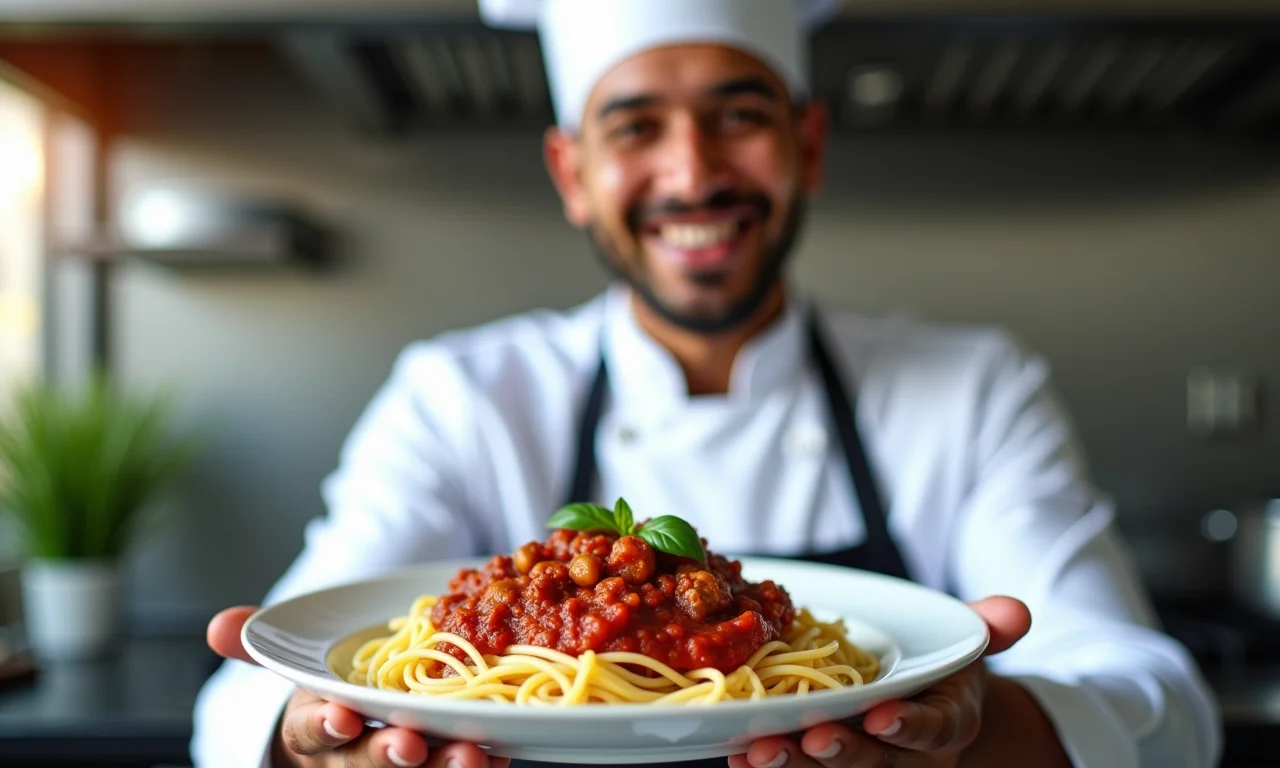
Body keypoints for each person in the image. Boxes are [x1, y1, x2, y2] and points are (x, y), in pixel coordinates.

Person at [191, 1, 1223, 766]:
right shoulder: (458, 395)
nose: (691, 174)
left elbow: (1162, 708)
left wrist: (979, 725)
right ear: (570, 173)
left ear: (806, 147)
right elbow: (253, 696)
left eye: (736, 116)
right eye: (635, 127)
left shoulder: (971, 388)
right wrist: (304, 745)